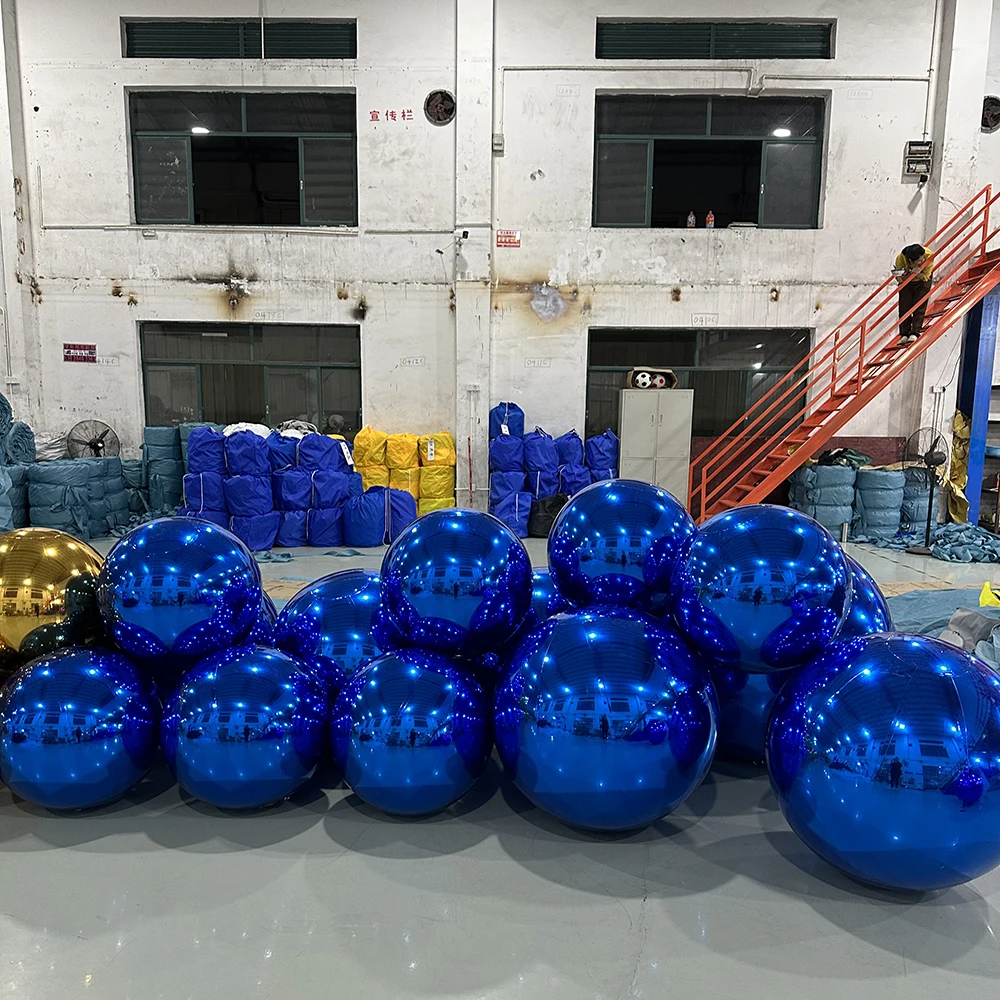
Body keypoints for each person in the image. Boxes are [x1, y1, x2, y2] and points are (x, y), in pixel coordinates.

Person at [894, 243, 934, 343]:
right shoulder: (901, 258)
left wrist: (917, 273)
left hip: (921, 282)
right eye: (919, 261)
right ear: (911, 261)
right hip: (907, 281)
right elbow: (899, 278)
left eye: (923, 258)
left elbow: (925, 277)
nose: (922, 261)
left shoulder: (929, 255)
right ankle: (904, 333)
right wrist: (910, 273)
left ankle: (915, 332)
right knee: (904, 306)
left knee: (919, 305)